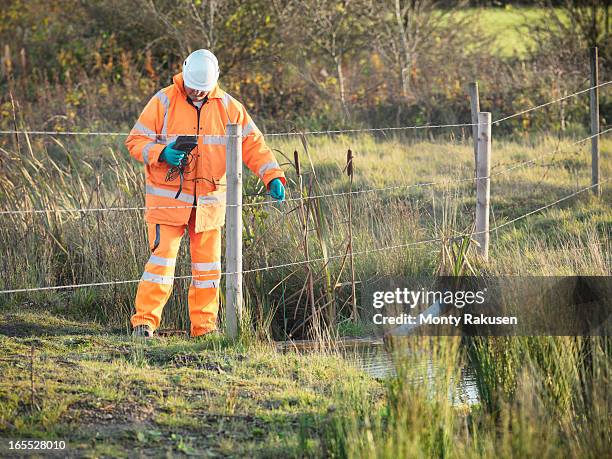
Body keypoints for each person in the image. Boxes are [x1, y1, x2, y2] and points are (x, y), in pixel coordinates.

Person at [125, 49, 286, 338]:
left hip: (209, 205)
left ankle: (204, 330)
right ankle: (144, 324)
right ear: (183, 75)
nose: (196, 93)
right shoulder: (162, 100)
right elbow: (136, 141)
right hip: (168, 202)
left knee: (208, 271)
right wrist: (163, 153)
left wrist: (272, 175)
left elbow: (253, 145)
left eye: (202, 89)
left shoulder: (230, 107)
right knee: (161, 265)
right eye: (192, 88)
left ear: (214, 82)